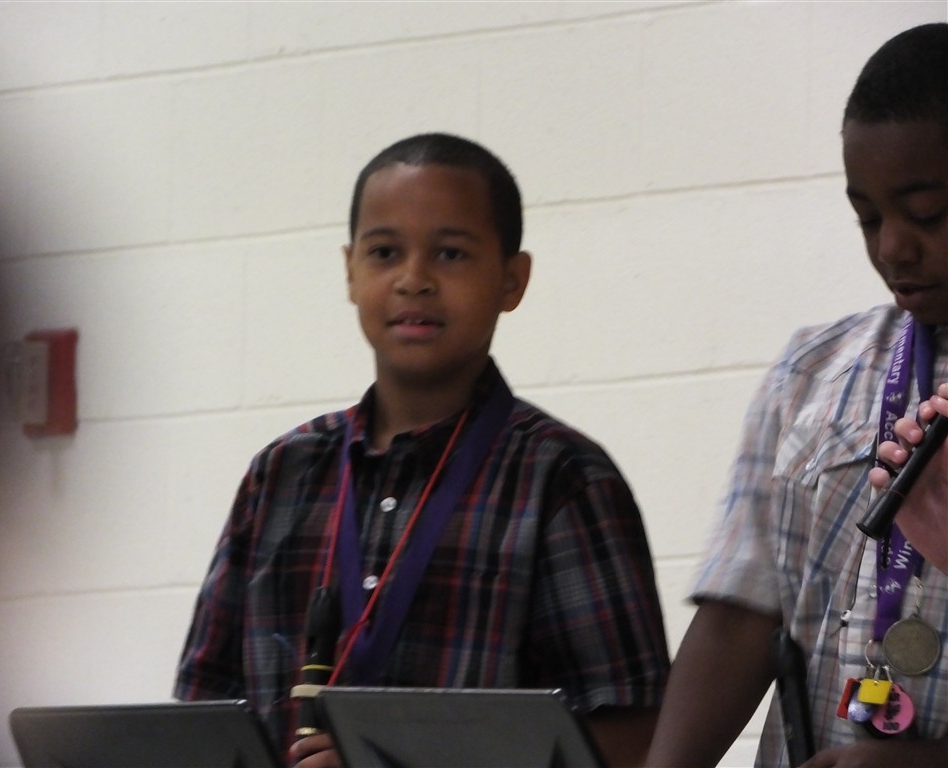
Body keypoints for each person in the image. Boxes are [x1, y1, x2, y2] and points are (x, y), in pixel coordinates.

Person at [174, 133, 670, 768]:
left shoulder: (562, 479)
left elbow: (635, 737)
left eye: (450, 254)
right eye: (385, 253)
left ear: (512, 280)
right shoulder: (280, 474)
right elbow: (202, 714)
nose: (414, 280)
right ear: (350, 272)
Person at [645, 23, 948, 768]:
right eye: (868, 217)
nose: (892, 247)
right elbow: (739, 615)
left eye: (927, 215)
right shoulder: (811, 373)